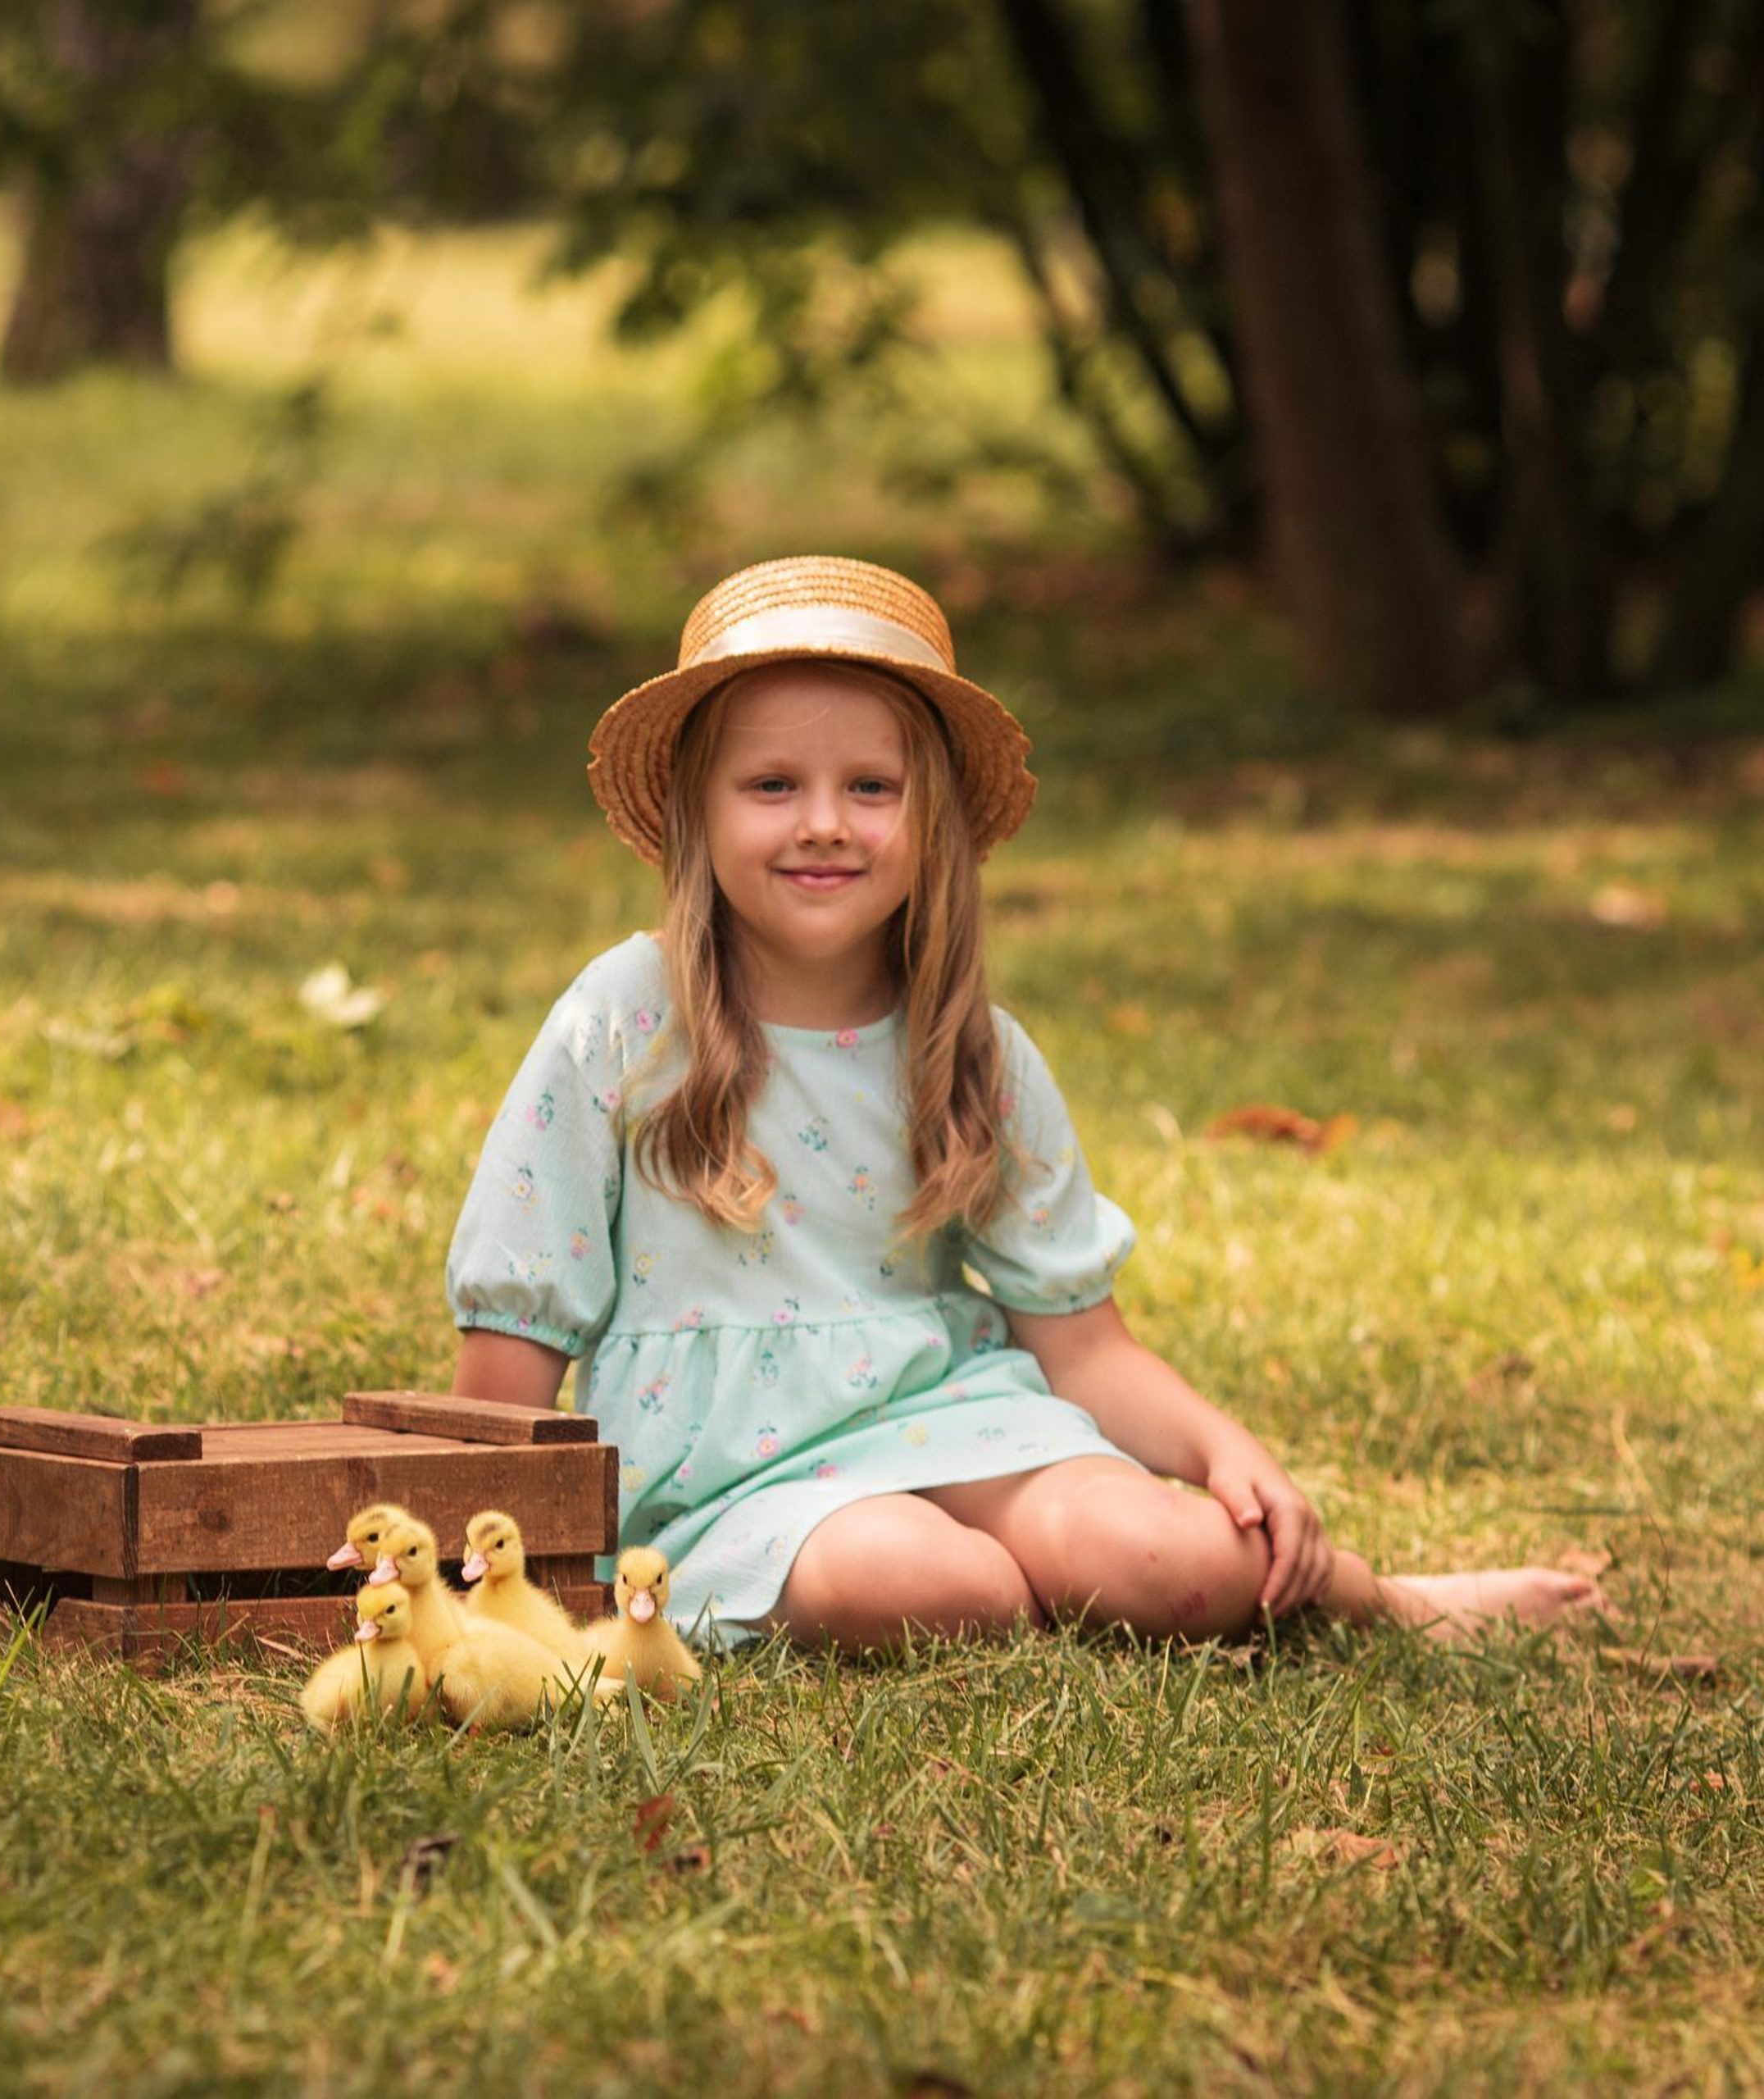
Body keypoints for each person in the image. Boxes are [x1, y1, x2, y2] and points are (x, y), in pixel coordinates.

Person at [443, 555, 1612, 1653]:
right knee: (937, 1586)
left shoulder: (971, 1053)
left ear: (933, 821)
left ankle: (1398, 1603)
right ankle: (1011, 1580)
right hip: (723, 1477)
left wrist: (1222, 1449)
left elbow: (1085, 1346)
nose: (823, 822)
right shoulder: (626, 1023)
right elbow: (519, 1322)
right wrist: (487, 1565)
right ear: (698, 815)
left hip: (954, 1418)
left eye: (870, 787)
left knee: (1182, 1557)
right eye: (771, 785)